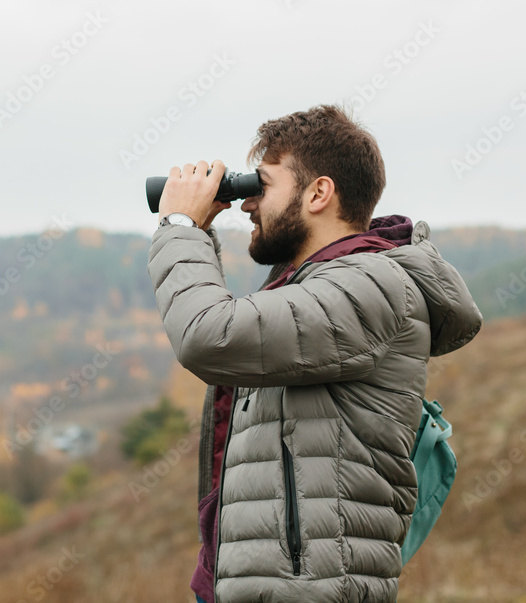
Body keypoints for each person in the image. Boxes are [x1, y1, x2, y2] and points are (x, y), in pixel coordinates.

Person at [147, 104, 483, 603]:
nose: (246, 205)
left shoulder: (370, 285)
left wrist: (181, 224)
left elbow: (207, 334)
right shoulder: (313, 288)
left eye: (261, 186)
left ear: (318, 192)